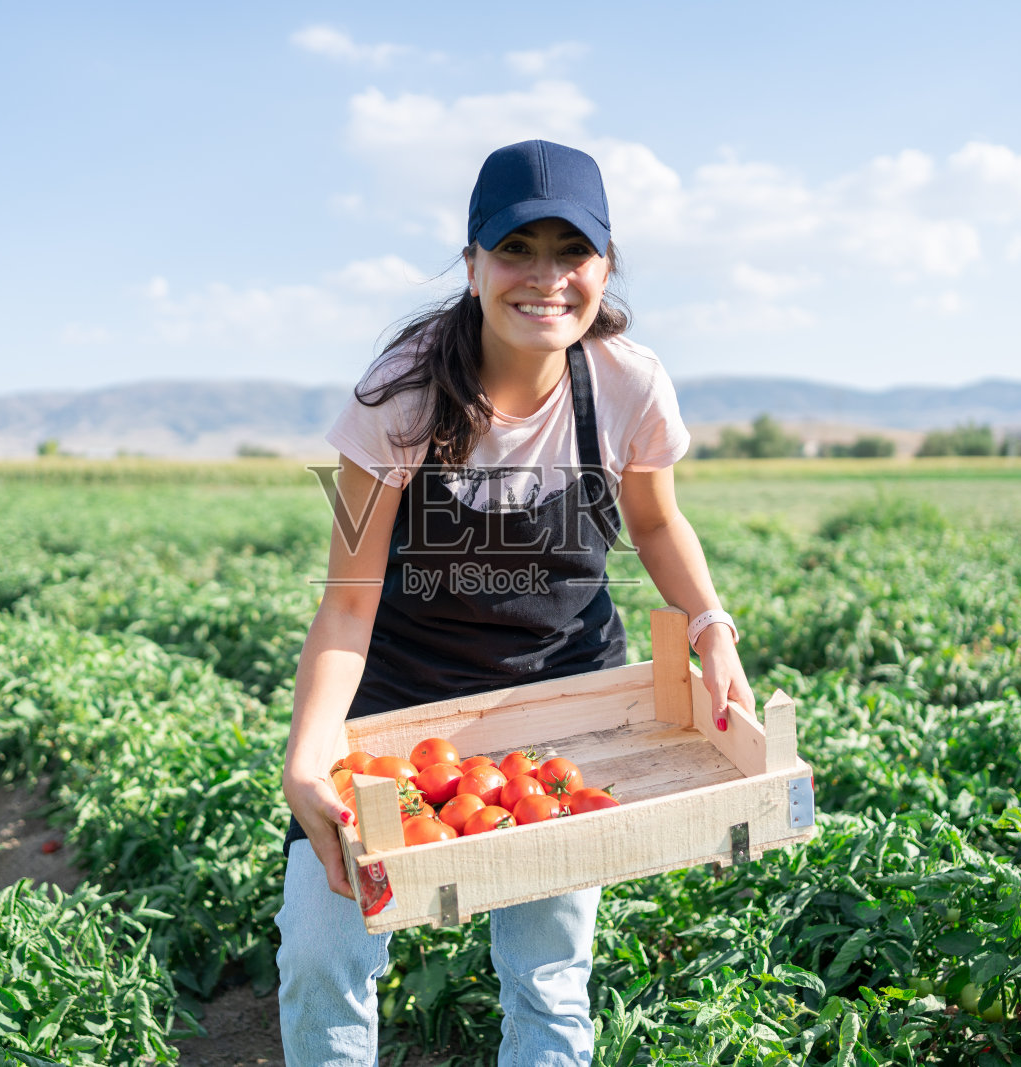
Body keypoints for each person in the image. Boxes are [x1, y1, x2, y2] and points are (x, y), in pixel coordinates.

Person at [276, 139, 755, 1066]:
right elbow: (346, 604)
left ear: (605, 266)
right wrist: (305, 760)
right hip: (401, 706)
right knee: (322, 951)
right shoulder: (399, 395)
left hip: (564, 708)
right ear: (472, 267)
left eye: (572, 252)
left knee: (548, 974)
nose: (546, 278)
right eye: (516, 250)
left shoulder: (627, 383)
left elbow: (658, 524)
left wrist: (712, 627)